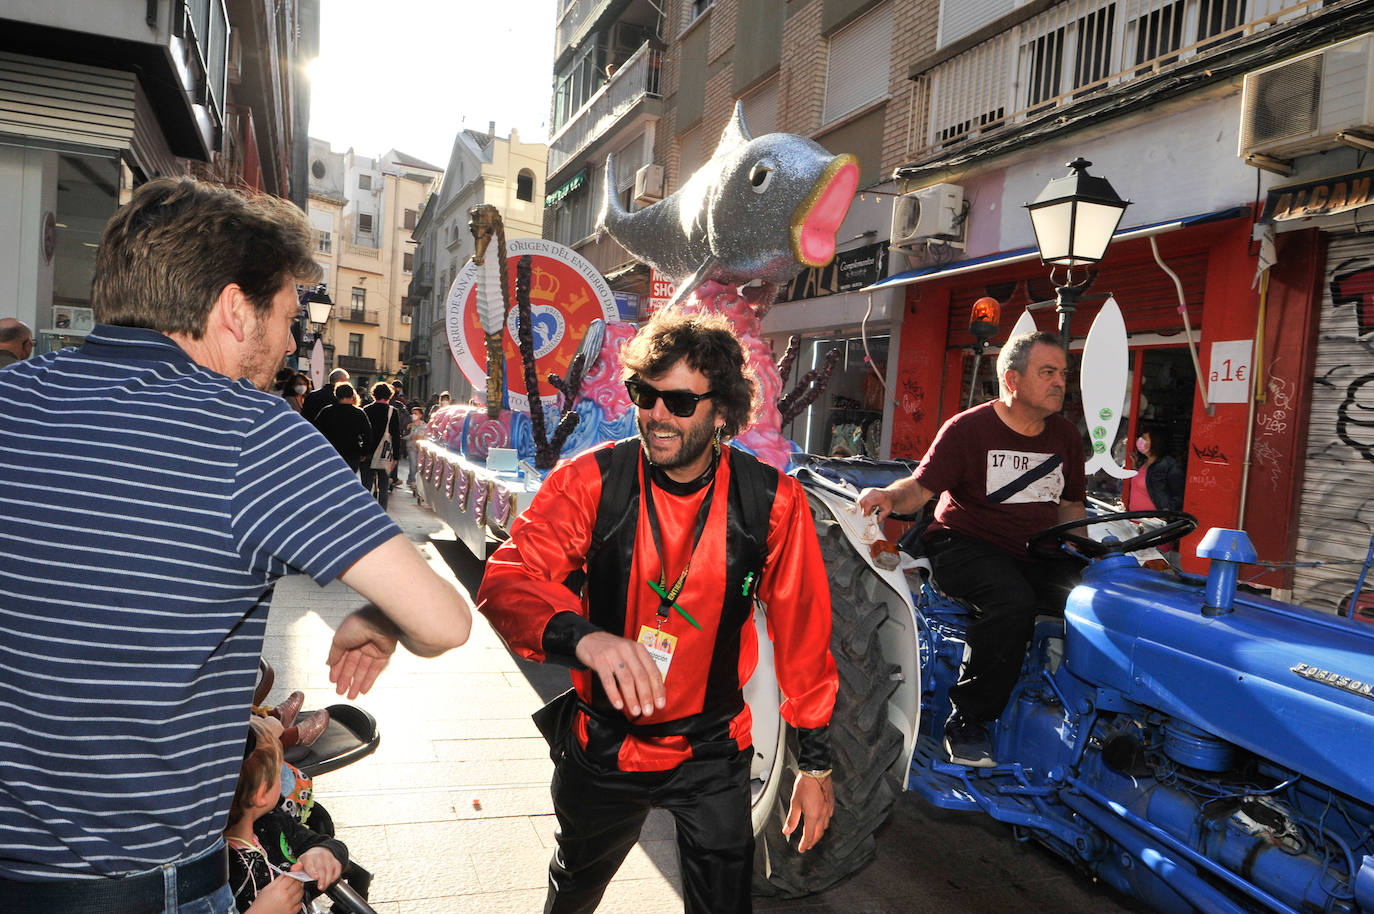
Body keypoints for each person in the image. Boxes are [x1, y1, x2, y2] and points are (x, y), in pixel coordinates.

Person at [0, 176, 472, 912]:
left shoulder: (13, 395)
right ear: (232, 309)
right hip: (142, 885)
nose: (289, 342)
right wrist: (381, 619)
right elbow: (444, 621)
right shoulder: (250, 433)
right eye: (286, 316)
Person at [477, 310, 837, 914]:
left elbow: (805, 632)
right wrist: (584, 638)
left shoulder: (772, 501)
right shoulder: (592, 481)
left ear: (721, 411)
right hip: (603, 746)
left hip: (713, 752)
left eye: (680, 401)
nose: (657, 415)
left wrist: (817, 767)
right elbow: (510, 576)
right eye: (645, 394)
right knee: (573, 892)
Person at [858, 330, 1085, 769]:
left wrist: (1083, 557)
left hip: (1035, 552)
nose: (1060, 382)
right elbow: (919, 489)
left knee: (1094, 601)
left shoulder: (1066, 437)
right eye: (1048, 372)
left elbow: (1072, 505)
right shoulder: (968, 429)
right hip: (963, 545)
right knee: (1012, 600)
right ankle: (968, 721)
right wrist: (888, 496)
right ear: (1012, 380)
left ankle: (1074, 715)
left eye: (1063, 373)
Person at [225, 717, 354, 913]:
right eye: (280, 772)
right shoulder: (216, 865)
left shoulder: (273, 821)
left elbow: (326, 843)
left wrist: (323, 852)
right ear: (262, 793)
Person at [361, 381, 404, 509]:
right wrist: (396, 457)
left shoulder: (366, 409)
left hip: (368, 453)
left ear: (374, 394)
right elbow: (396, 436)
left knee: (366, 486)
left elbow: (362, 433)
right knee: (383, 487)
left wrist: (362, 452)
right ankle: (382, 512)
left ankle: (365, 511)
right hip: (385, 454)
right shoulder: (392, 411)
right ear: (389, 395)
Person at [1125, 424, 1185, 514]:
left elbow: (1179, 495)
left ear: (1155, 442)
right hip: (1133, 518)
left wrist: (1165, 515)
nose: (1140, 441)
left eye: (1144, 439)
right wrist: (1135, 467)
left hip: (1152, 520)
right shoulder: (1144, 462)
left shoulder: (1169, 465)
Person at [314, 382, 372, 473]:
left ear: (336, 395)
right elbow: (367, 434)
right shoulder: (359, 413)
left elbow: (316, 432)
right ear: (352, 396)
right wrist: (364, 452)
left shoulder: (326, 411)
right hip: (352, 453)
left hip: (330, 453)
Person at [405, 405, 426, 489]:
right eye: (413, 413)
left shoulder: (424, 425)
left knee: (418, 466)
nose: (414, 415)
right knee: (413, 464)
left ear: (420, 415)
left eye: (416, 413)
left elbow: (427, 436)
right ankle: (413, 481)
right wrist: (410, 436)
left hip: (420, 448)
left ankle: (411, 478)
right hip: (411, 447)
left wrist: (421, 437)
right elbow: (403, 436)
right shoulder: (409, 425)